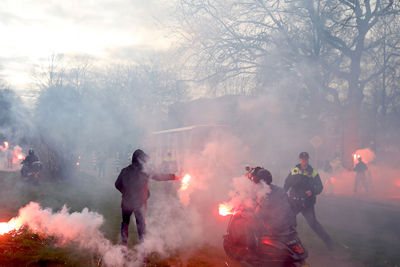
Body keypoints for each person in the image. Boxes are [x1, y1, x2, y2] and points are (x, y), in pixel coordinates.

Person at [115, 149, 178, 246]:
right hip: (139, 203)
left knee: (125, 223)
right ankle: (142, 252)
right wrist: (173, 176)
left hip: (126, 202)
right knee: (141, 227)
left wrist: (126, 192)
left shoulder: (125, 170)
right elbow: (159, 177)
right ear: (140, 160)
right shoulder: (145, 171)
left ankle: (123, 247)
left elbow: (117, 184)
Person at [284, 152, 334, 249]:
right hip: (294, 202)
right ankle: (287, 244)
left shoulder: (313, 172)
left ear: (308, 160)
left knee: (313, 224)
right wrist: (283, 194)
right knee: (288, 221)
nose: (304, 161)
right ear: (299, 159)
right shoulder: (294, 170)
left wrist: (312, 191)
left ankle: (329, 243)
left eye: (306, 159)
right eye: (302, 159)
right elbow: (287, 183)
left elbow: (320, 186)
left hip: (307, 203)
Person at [253, 168, 297, 237]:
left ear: (262, 182)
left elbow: (258, 214)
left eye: (258, 183)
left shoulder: (264, 195)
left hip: (277, 231)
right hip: (290, 229)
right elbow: (291, 208)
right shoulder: (280, 190)